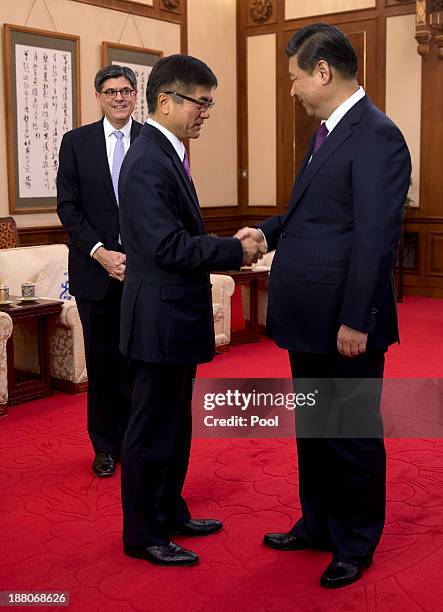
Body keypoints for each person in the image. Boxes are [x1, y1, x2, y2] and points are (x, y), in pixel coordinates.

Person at [236, 23, 411, 588]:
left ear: (322, 72)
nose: (292, 90)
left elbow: (374, 239)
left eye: (293, 79)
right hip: (309, 318)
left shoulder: (377, 135)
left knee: (351, 431)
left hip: (344, 322)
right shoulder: (330, 133)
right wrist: (264, 233)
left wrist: (357, 319)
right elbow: (310, 215)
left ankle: (355, 542)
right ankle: (317, 524)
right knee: (314, 425)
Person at [118, 54, 263, 567]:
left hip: (173, 315)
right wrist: (234, 251)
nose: (206, 112)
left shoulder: (164, 152)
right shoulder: (148, 160)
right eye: (201, 102)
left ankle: (169, 510)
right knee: (151, 431)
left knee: (175, 427)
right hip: (158, 317)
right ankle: (142, 533)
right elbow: (166, 247)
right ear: (166, 100)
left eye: (209, 103)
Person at [57, 65, 142, 477]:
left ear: (136, 94)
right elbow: (68, 209)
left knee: (138, 361)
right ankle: (105, 447)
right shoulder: (76, 143)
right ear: (98, 97)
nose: (119, 98)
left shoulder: (155, 141)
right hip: (95, 271)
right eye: (111, 92)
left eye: (126, 91)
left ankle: (135, 442)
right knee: (103, 362)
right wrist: (101, 253)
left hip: (143, 273)